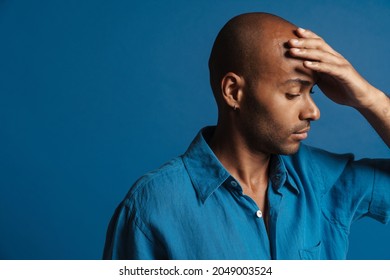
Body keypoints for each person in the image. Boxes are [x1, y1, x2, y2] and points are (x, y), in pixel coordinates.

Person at [103, 12, 390, 260]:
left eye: (310, 92)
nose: (313, 111)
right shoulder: (152, 205)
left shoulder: (321, 180)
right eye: (293, 93)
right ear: (233, 92)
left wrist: (369, 99)